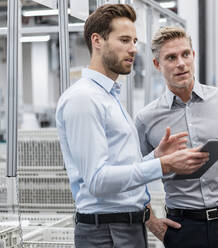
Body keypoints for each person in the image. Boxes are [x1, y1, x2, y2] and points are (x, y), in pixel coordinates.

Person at [55, 5, 209, 248]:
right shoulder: (84, 99)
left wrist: (155, 157)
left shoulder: (109, 97)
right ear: (97, 40)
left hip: (125, 226)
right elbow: (97, 180)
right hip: (105, 231)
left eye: (135, 41)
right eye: (124, 40)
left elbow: (120, 167)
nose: (134, 49)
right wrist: (164, 164)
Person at [134, 26, 218, 248]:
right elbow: (132, 175)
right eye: (171, 57)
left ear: (193, 55)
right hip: (183, 229)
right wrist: (151, 220)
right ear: (157, 65)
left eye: (185, 54)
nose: (181, 63)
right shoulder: (146, 119)